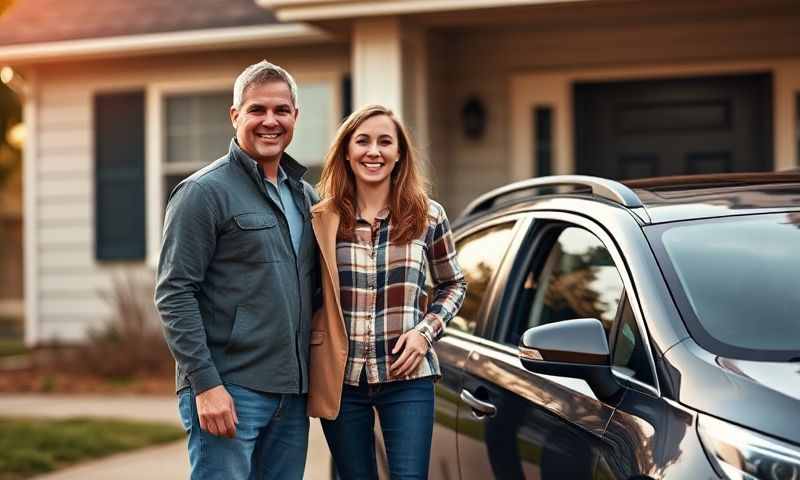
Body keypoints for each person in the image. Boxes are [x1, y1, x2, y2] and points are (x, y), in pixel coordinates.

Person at [154, 60, 318, 480]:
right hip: (230, 391)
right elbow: (174, 294)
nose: (270, 121)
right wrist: (206, 386)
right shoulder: (202, 193)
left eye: (281, 110)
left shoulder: (305, 195)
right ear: (235, 116)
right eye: (257, 110)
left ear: (295, 117)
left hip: (291, 396)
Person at [308, 104, 467, 479]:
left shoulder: (428, 215)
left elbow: (454, 284)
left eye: (385, 142)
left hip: (407, 378)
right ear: (347, 152)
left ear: (399, 154)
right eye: (362, 141)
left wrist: (424, 333)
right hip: (342, 380)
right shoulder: (322, 218)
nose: (373, 151)